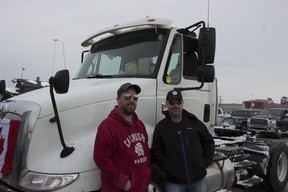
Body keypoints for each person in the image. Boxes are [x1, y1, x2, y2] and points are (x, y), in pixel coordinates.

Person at [151, 89, 215, 192]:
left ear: (182, 103)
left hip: (198, 181)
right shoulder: (161, 127)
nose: (175, 105)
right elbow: (157, 150)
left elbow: (208, 142)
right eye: (172, 102)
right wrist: (167, 168)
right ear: (167, 104)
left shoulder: (194, 122)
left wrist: (204, 162)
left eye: (178, 102)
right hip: (174, 183)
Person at [94, 82, 151, 192]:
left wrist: (147, 175)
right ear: (118, 99)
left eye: (135, 98)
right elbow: (101, 159)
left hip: (140, 187)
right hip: (119, 189)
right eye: (127, 97)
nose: (131, 100)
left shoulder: (140, 125)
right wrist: (123, 182)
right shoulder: (107, 126)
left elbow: (146, 153)